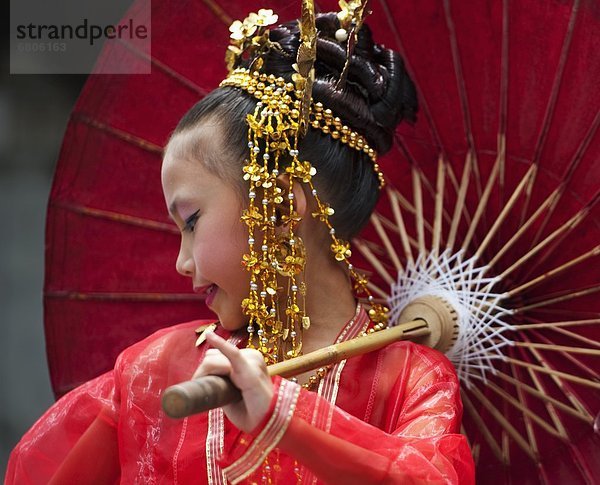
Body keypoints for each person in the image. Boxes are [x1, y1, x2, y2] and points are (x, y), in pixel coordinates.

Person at [6, 5, 475, 484]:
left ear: (278, 204)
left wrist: (284, 416)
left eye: (191, 221)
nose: (182, 262)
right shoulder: (156, 371)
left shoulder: (411, 381)